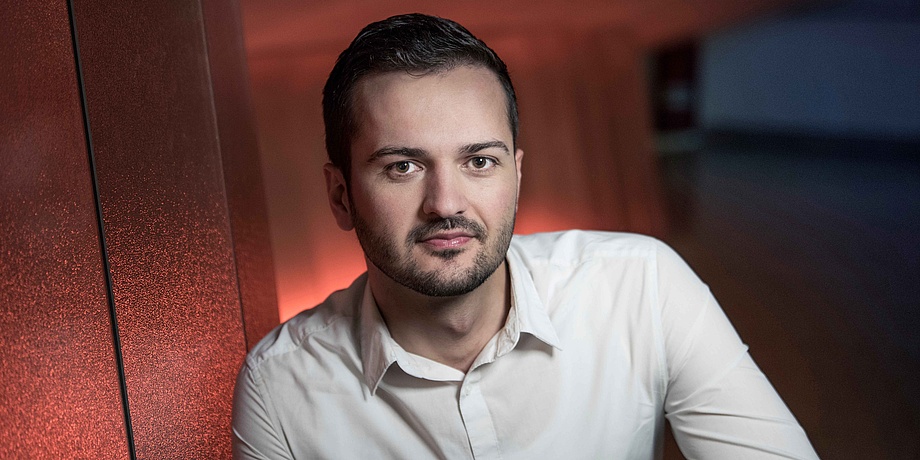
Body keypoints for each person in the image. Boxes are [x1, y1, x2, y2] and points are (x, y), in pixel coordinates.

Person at [232, 13, 818, 459]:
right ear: (340, 196)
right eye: (402, 167)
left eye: (479, 162)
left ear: (517, 176)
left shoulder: (642, 284)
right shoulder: (280, 388)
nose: (446, 204)